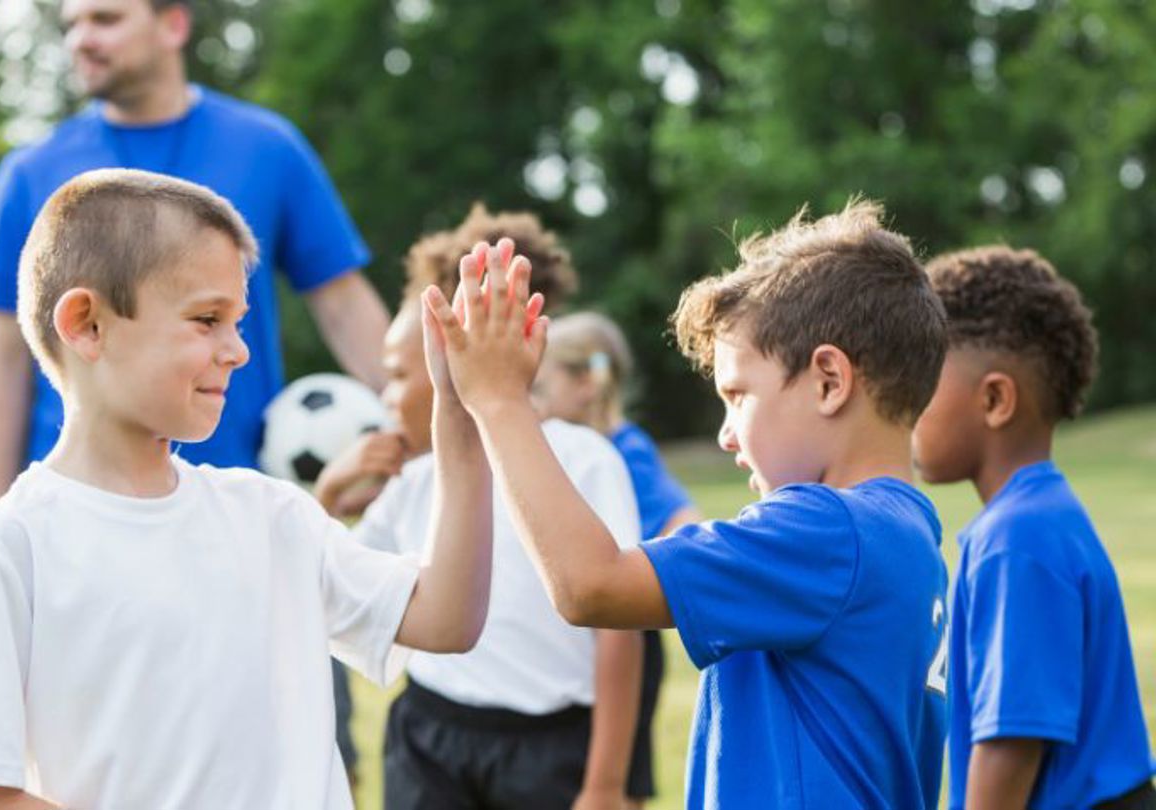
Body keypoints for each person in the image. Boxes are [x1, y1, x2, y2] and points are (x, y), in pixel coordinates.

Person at [0, 170, 493, 810]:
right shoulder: (9, 544)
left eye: (238, 322)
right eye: (207, 319)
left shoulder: (270, 515)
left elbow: (447, 618)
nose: (238, 351)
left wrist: (462, 423)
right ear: (86, 325)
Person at [423, 199, 952, 808]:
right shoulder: (911, 536)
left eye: (738, 395)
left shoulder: (826, 530)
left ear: (829, 381)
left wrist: (498, 401)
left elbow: (590, 585)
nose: (727, 434)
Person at [0, 0, 389, 510]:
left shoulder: (268, 147)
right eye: (71, 24)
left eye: (106, 19)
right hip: (78, 499)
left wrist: (420, 432)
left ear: (173, 24)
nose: (81, 39)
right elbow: (2, 359)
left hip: (237, 494)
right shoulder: (29, 173)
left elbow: (344, 306)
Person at [319, 211, 643, 810]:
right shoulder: (411, 478)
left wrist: (604, 784)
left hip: (549, 749)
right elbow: (337, 585)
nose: (385, 396)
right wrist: (328, 499)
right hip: (430, 738)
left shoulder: (583, 457)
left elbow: (620, 635)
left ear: (447, 358)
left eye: (395, 374)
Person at [912, 246, 1155, 810]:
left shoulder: (1016, 539)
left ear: (995, 399)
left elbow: (1011, 742)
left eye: (924, 377)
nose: (908, 401)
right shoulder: (1037, 517)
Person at [533, 311, 704, 807]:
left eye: (541, 387)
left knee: (622, 773)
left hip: (625, 636)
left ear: (587, 383)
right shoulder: (571, 448)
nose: (534, 403)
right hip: (581, 634)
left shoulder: (624, 451)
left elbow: (682, 521)